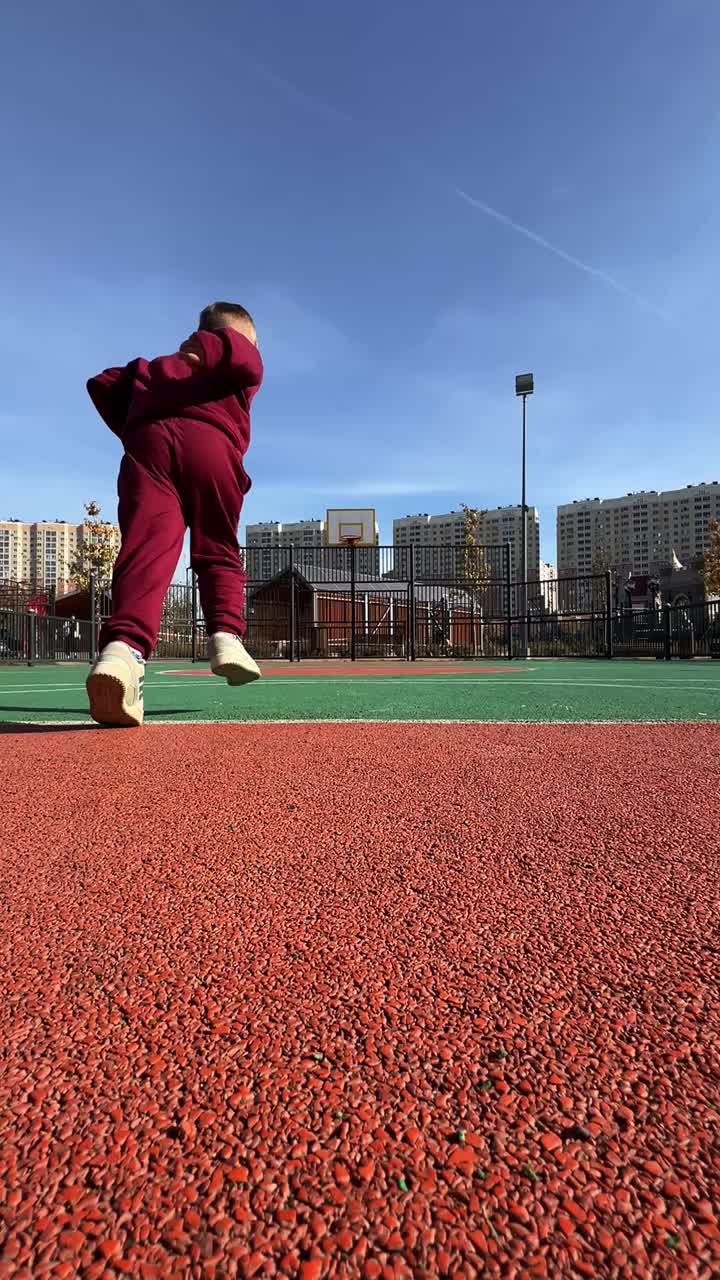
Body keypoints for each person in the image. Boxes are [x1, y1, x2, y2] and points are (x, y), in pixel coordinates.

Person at [85, 302, 263, 727]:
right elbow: (249, 362)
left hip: (148, 446)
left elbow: (103, 383)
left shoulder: (150, 370)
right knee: (217, 544)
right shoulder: (229, 360)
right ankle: (226, 635)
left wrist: (135, 424)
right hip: (211, 443)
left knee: (146, 549)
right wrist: (216, 346)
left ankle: (122, 650)